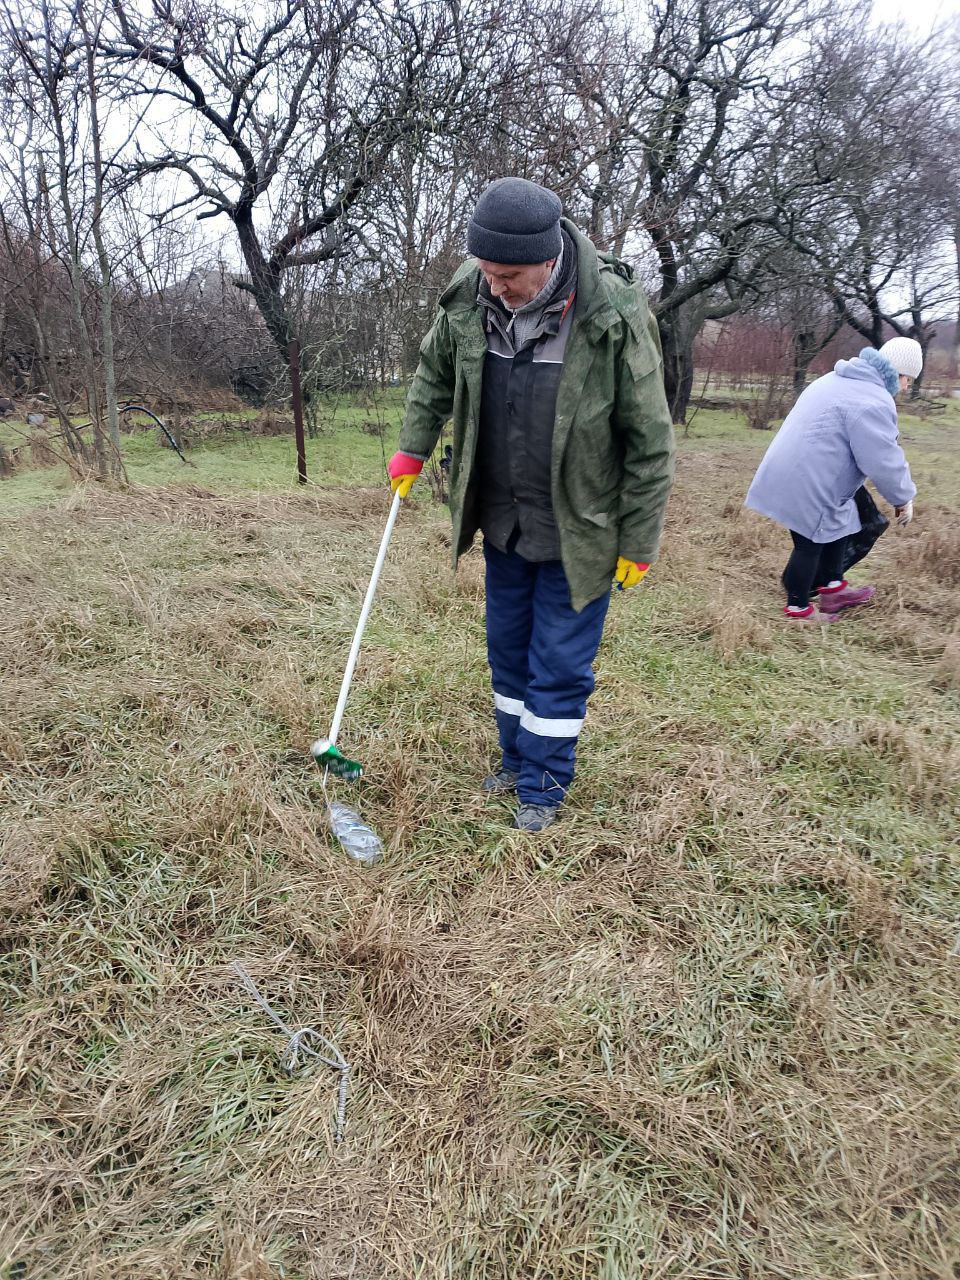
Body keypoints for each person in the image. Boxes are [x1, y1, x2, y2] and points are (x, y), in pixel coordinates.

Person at [387, 177, 674, 831]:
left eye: (509, 276)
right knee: (508, 650)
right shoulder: (471, 294)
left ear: (549, 261)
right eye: (488, 272)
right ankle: (516, 759)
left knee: (559, 663)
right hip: (504, 520)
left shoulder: (611, 315)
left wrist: (639, 541)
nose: (495, 287)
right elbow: (434, 373)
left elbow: (651, 441)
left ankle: (543, 785)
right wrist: (412, 447)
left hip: (582, 528)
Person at [745, 337, 920, 622]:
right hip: (811, 479)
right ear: (897, 373)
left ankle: (833, 589)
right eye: (908, 380)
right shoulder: (873, 400)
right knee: (810, 542)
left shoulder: (837, 378)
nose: (906, 387)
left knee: (842, 523)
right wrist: (903, 498)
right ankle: (798, 608)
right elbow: (883, 458)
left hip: (795, 469)